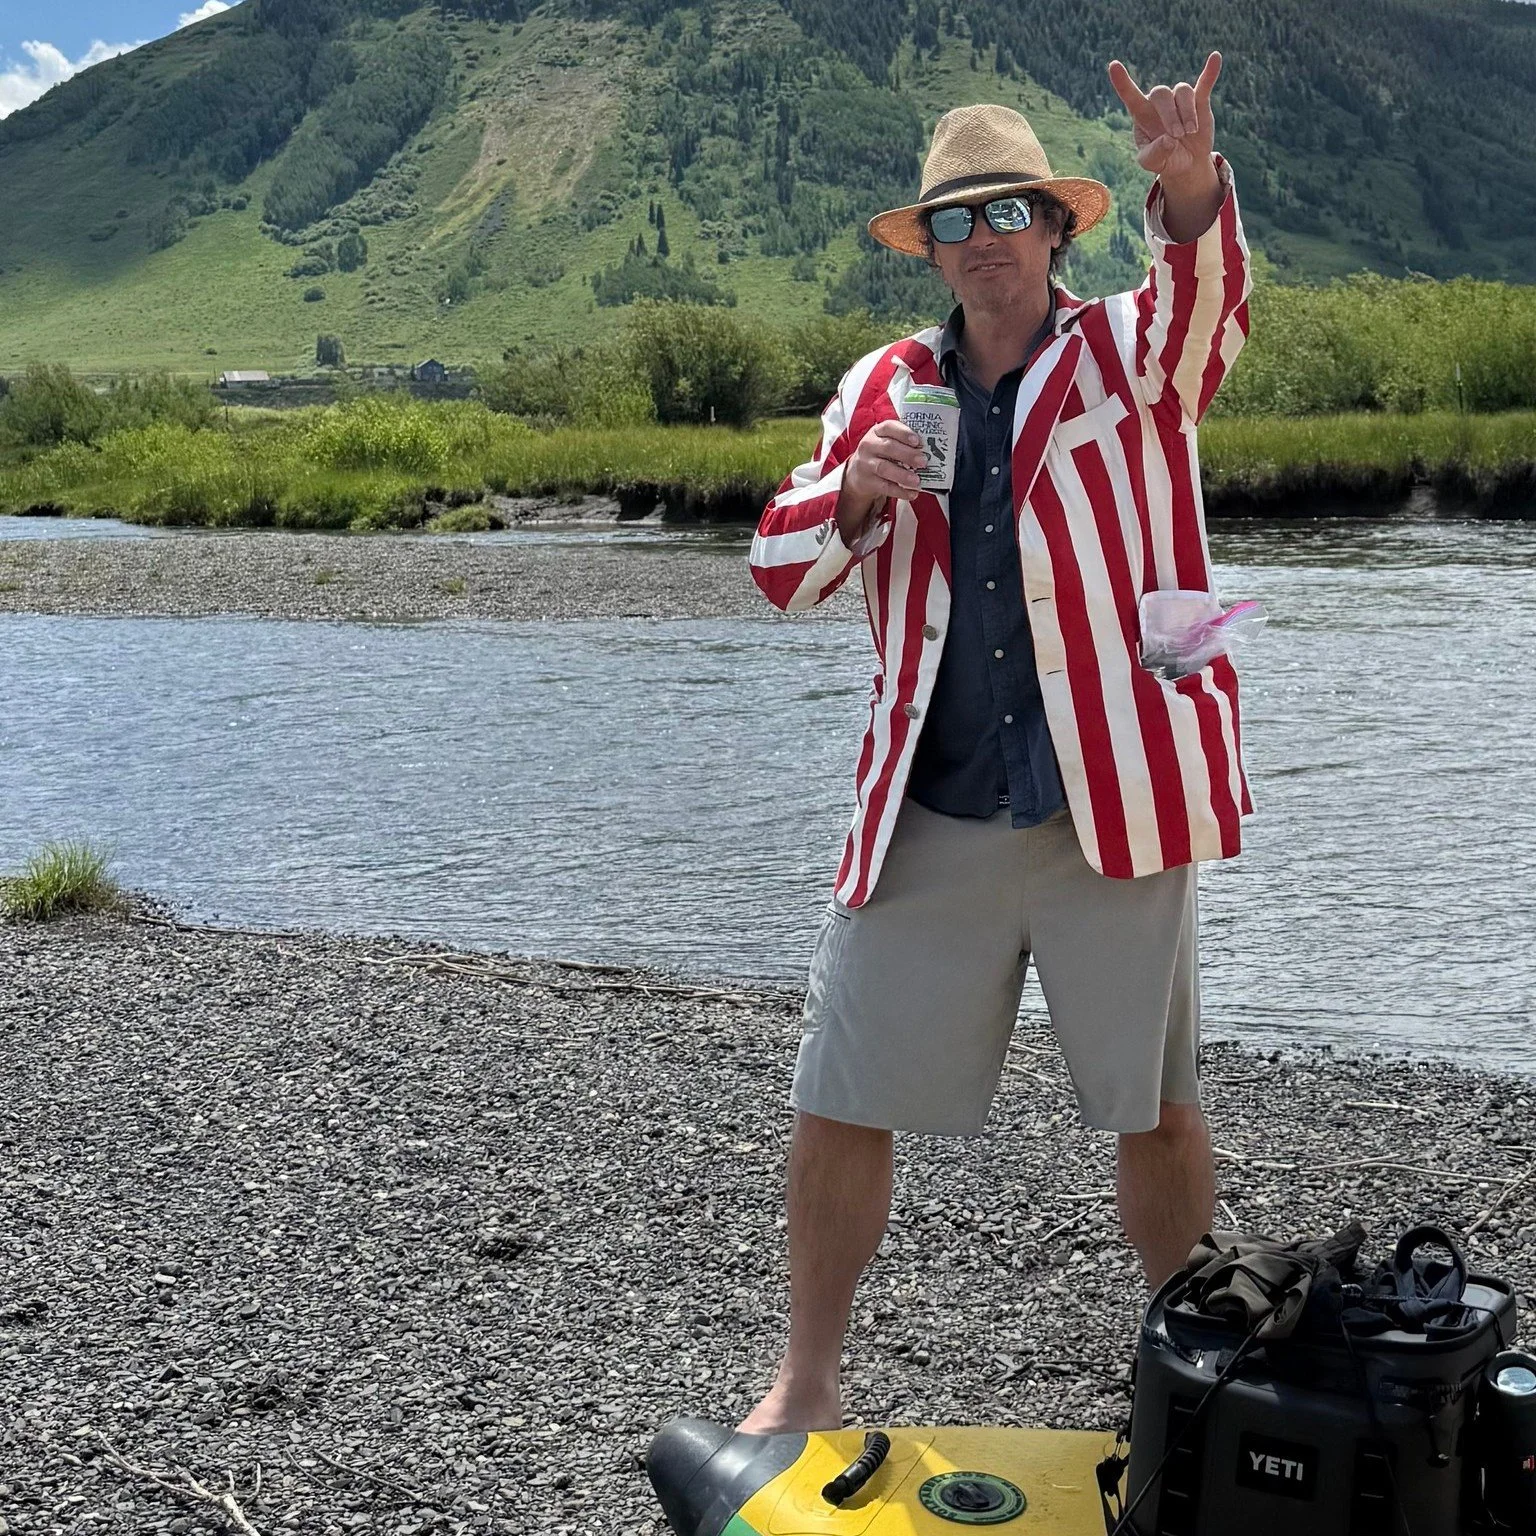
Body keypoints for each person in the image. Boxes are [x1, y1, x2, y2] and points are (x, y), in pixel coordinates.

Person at [743, 54, 1253, 1435]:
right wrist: (850, 496)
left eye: (1005, 215)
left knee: (1153, 1105)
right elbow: (778, 569)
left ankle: (1194, 1377)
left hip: (1114, 800)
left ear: (1056, 227)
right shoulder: (882, 385)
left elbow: (1207, 320)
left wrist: (1193, 186)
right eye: (953, 224)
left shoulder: (1125, 355)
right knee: (842, 1095)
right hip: (931, 811)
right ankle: (806, 1378)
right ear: (933, 251)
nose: (982, 246)